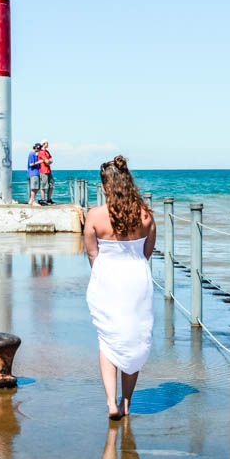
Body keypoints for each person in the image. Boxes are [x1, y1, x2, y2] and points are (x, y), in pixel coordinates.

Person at [84, 155, 155, 420]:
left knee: (109, 340)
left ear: (106, 186)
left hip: (107, 280)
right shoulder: (146, 214)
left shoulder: (94, 215)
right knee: (133, 340)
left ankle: (110, 403)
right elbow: (147, 251)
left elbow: (92, 254)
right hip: (136, 280)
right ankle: (126, 403)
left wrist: (103, 277)